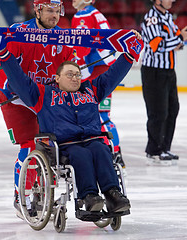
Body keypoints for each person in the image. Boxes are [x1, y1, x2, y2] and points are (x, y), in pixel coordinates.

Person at [0, 28, 141, 212]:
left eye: (78, 74)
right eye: (70, 74)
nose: (75, 78)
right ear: (57, 78)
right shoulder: (43, 94)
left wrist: (130, 53)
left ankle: (113, 194)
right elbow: (19, 79)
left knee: (102, 150)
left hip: (92, 138)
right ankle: (89, 196)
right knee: (81, 155)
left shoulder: (92, 90)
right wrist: (4, 54)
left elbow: (114, 74)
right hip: (66, 143)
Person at [0, 0, 77, 215]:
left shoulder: (64, 37)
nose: (55, 15)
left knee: (54, 146)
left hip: (47, 98)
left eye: (58, 11)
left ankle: (46, 191)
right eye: (50, 10)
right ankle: (21, 194)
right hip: (17, 99)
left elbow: (72, 67)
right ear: (37, 10)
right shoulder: (19, 33)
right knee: (30, 145)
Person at [71, 0, 125, 168]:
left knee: (93, 115)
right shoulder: (96, 13)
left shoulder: (83, 15)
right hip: (105, 71)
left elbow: (82, 45)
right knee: (104, 115)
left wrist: (77, 71)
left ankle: (103, 153)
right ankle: (116, 153)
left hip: (94, 72)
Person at [140, 0, 187, 165]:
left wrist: (178, 40)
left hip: (169, 70)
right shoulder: (151, 18)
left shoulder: (168, 16)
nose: (172, 0)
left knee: (172, 109)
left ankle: (164, 147)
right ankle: (154, 150)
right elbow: (157, 46)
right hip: (154, 70)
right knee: (158, 112)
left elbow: (173, 43)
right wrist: (179, 38)